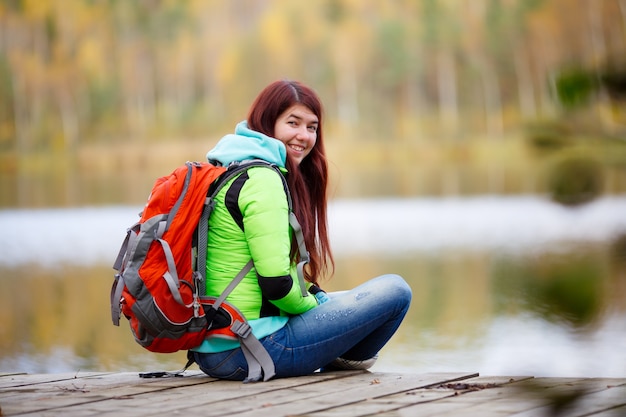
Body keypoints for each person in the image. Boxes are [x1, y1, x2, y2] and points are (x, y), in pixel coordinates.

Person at [191, 80, 412, 381]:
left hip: (218, 345)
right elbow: (277, 286)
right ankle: (339, 365)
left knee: (355, 298)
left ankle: (334, 357)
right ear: (268, 122)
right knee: (395, 291)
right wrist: (311, 305)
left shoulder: (231, 167)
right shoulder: (262, 180)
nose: (303, 136)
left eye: (312, 127)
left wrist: (317, 299)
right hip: (252, 349)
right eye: (293, 123)